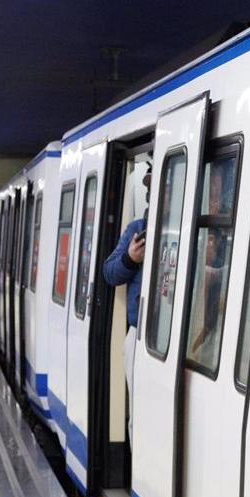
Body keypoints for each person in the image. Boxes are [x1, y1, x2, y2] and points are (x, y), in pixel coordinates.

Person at [104, 166, 151, 398]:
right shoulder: (137, 229)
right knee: (138, 412)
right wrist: (130, 258)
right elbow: (110, 272)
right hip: (139, 334)